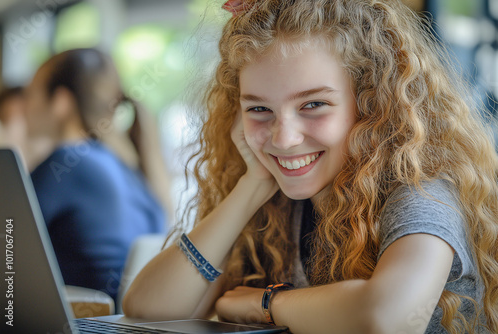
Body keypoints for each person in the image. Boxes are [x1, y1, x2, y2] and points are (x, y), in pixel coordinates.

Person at [123, 1, 498, 333]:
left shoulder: (425, 195)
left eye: (313, 105)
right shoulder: (275, 207)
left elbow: (388, 319)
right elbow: (147, 309)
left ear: (372, 105)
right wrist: (252, 185)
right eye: (259, 109)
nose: (283, 138)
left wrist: (264, 304)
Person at [25, 48, 169, 302]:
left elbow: (8, 237)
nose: (25, 105)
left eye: (32, 94)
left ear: (61, 101)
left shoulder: (64, 164)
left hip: (84, 318)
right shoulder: (121, 164)